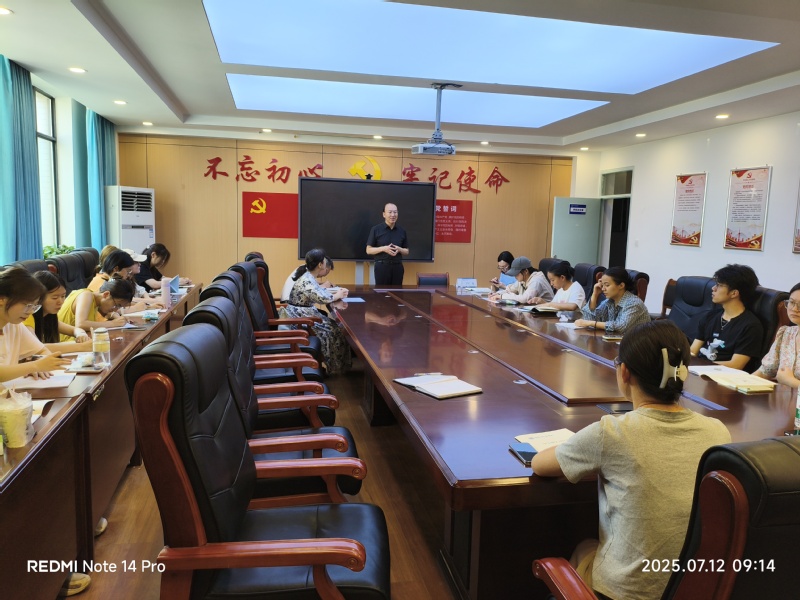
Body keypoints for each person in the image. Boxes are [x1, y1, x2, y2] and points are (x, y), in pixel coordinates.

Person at [531, 320, 731, 600]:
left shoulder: (612, 432)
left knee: (584, 549)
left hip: (626, 593)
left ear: (624, 372)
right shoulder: (718, 431)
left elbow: (540, 464)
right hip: (693, 587)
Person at [280, 248, 352, 375]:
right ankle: (335, 368)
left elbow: (318, 292)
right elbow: (322, 298)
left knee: (335, 326)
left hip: (304, 313)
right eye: (324, 261)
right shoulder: (307, 279)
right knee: (335, 331)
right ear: (320, 265)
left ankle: (336, 366)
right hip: (300, 316)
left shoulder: (308, 275)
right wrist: (338, 294)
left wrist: (334, 293)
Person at [690, 264, 763, 372]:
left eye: (719, 285)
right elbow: (693, 351)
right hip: (698, 370)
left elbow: (736, 365)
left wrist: (701, 366)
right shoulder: (710, 316)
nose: (713, 288)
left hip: (723, 375)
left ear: (734, 293)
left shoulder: (751, 326)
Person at [25, 271, 92, 353]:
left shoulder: (48, 316)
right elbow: (36, 348)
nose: (60, 302)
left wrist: (81, 334)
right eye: (55, 298)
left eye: (63, 296)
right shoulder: (27, 316)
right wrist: (82, 346)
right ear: (38, 297)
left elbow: (75, 330)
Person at [575, 267, 650, 333]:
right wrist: (595, 294)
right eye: (602, 285)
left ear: (621, 285)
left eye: (607, 285)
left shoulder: (634, 303)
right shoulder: (609, 301)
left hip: (638, 343)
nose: (603, 289)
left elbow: (621, 326)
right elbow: (589, 319)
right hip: (617, 340)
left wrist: (591, 323)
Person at [753, 282, 800, 388]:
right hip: (779, 397)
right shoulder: (786, 333)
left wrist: (790, 381)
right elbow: (765, 371)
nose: (794, 309)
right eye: (792, 302)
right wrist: (739, 384)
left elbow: (787, 380)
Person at [57, 278, 135, 339]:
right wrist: (114, 323)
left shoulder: (96, 301)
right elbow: (81, 324)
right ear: (106, 294)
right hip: (65, 342)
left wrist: (117, 317)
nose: (115, 309)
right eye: (116, 305)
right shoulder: (86, 295)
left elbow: (107, 313)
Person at [366, 203, 409, 285]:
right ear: (384, 214)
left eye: (395, 212)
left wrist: (399, 249)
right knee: (382, 292)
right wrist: (383, 248)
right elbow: (368, 250)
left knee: (397, 292)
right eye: (390, 212)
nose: (393, 215)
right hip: (382, 266)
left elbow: (406, 251)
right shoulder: (376, 229)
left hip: (397, 267)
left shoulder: (402, 231)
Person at [488, 257, 552, 304]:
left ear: (526, 271)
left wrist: (501, 296)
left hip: (547, 315)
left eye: (517, 274)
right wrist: (497, 294)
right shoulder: (523, 279)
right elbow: (510, 289)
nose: (515, 276)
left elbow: (525, 299)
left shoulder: (536, 281)